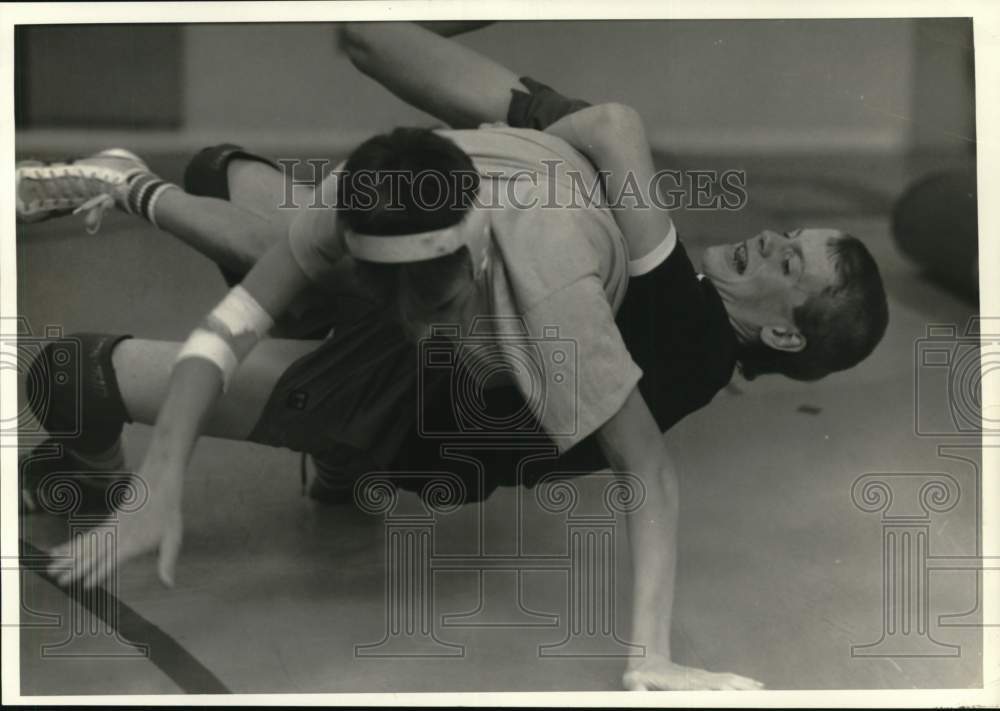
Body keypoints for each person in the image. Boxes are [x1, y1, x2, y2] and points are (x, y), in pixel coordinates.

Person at [16, 24, 888, 691]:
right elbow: (231, 324)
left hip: (426, 403)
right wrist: (160, 476)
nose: (772, 243)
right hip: (460, 266)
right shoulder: (370, 197)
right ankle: (323, 427)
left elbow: (647, 470)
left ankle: (338, 447)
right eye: (788, 244)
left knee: (66, 377)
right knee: (234, 189)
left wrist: (648, 655)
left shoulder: (561, 290)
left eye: (790, 264)